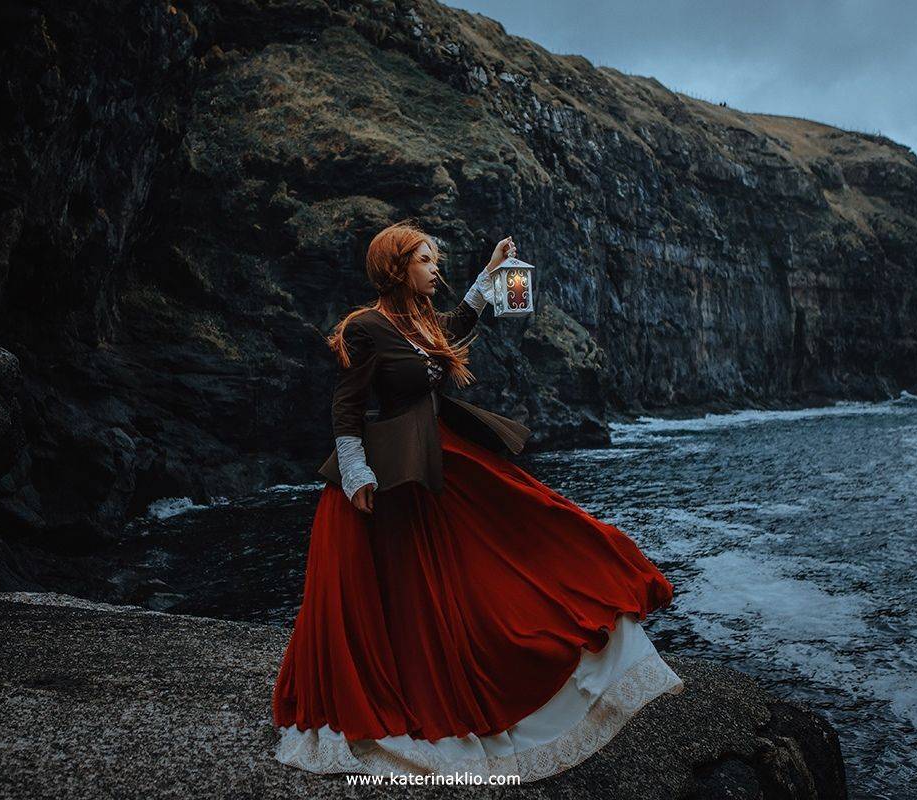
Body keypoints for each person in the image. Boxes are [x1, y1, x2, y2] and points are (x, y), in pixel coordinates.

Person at [271, 220, 683, 783]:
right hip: (395, 476)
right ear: (397, 266)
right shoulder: (366, 326)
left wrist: (490, 275)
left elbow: (455, 326)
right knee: (412, 593)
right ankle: (433, 690)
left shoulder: (418, 321)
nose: (435, 267)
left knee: (539, 528)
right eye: (425, 259)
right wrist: (355, 471)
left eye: (436, 258)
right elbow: (347, 405)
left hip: (441, 460)